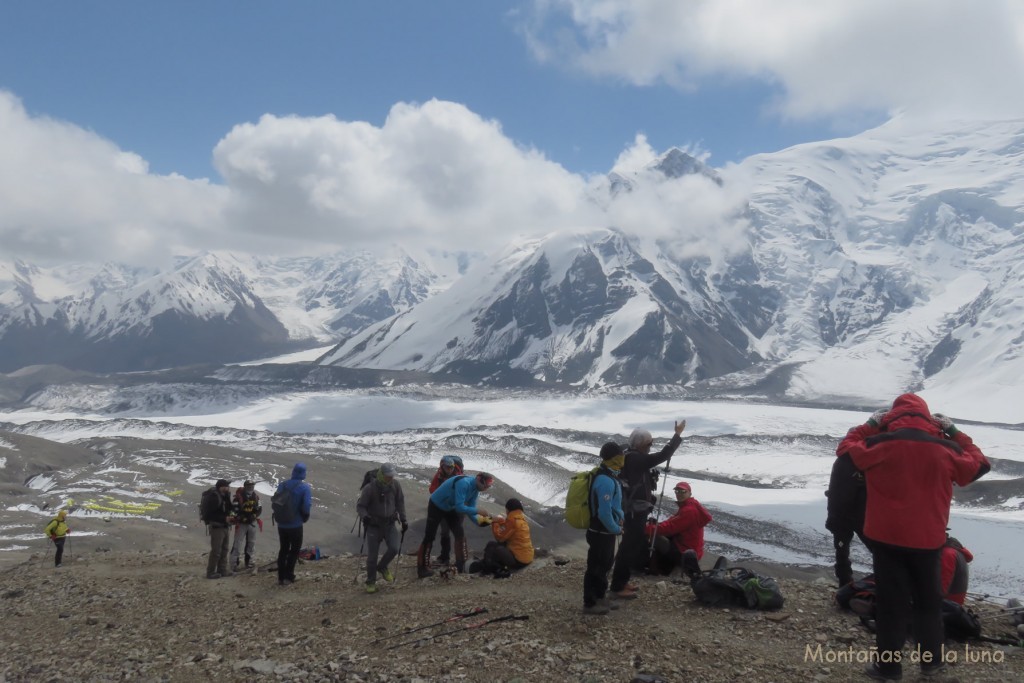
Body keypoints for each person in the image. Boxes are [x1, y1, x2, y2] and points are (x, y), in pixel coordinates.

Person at [837, 394, 989, 681]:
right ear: (929, 419)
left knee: (891, 605)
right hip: (929, 541)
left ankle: (889, 668)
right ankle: (931, 667)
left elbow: (846, 450)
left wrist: (871, 424)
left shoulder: (879, 444)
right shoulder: (946, 449)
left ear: (892, 418)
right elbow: (979, 464)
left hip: (885, 539)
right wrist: (954, 432)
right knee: (928, 605)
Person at [609, 420, 685, 599]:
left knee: (629, 546)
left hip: (633, 510)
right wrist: (677, 435)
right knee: (629, 547)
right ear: (641, 444)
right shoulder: (636, 458)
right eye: (649, 444)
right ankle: (618, 585)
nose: (650, 447)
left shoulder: (629, 456)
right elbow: (663, 455)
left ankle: (621, 581)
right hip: (635, 512)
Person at [416, 471, 493, 577]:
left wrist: (484, 522)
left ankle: (462, 565)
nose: (487, 488)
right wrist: (477, 510)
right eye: (487, 485)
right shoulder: (464, 483)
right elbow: (460, 507)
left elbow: (470, 512)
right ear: (480, 480)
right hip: (436, 505)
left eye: (489, 486)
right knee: (430, 535)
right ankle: (422, 568)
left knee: (459, 533)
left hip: (449, 508)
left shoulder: (475, 490)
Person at [583, 442, 625, 615]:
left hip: (604, 531)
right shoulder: (606, 481)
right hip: (601, 531)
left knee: (605, 564)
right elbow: (604, 513)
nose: (623, 459)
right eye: (620, 456)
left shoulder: (609, 476)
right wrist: (616, 528)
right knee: (597, 566)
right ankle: (590, 603)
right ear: (614, 458)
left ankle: (600, 597)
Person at [357, 463, 408, 594]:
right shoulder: (370, 488)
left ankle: (383, 566)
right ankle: (371, 582)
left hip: (389, 523)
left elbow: (400, 502)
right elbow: (361, 506)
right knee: (372, 556)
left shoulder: (395, 485)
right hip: (373, 526)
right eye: (387, 476)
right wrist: (365, 517)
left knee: (394, 548)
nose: (390, 479)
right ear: (381, 475)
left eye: (391, 476)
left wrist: (403, 519)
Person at [647, 481, 711, 581]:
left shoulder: (689, 511)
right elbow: (672, 522)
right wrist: (656, 525)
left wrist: (646, 528)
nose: (679, 494)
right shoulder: (690, 505)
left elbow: (669, 528)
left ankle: (654, 569)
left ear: (689, 493)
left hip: (685, 553)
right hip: (692, 550)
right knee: (657, 532)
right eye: (677, 491)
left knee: (654, 535)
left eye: (682, 491)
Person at [825, 451, 871, 586]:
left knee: (841, 551)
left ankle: (845, 583)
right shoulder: (866, 460)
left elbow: (834, 491)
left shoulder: (842, 461)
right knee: (877, 551)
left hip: (842, 515)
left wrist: (832, 517)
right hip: (858, 516)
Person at [275, 462, 312, 587]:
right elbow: (306, 506)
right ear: (303, 473)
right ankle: (288, 577)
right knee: (294, 550)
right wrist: (305, 516)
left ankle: (280, 577)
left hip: (281, 524)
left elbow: (276, 501)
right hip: (295, 525)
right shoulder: (304, 487)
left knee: (283, 549)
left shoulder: (282, 485)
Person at [479, 498, 534, 576]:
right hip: (528, 558)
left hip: (519, 561)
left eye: (506, 509)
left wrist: (495, 523)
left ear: (509, 509)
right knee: (501, 545)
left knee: (493, 545)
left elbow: (500, 538)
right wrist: (501, 521)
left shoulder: (513, 520)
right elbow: (509, 528)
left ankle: (487, 569)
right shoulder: (522, 519)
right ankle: (491, 565)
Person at [428, 455, 464, 566]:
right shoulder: (439, 476)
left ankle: (459, 560)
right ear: (442, 466)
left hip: (456, 509)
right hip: (444, 508)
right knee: (445, 532)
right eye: (447, 467)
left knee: (456, 533)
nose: (449, 469)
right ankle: (445, 557)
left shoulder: (459, 476)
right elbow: (432, 489)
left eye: (451, 467)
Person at [202, 479, 237, 579]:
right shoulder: (214, 497)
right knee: (216, 551)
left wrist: (231, 516)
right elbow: (209, 514)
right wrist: (224, 518)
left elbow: (228, 509)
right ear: (220, 487)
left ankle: (222, 570)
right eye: (226, 486)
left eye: (228, 486)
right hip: (217, 527)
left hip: (225, 526)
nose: (228, 487)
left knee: (224, 549)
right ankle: (210, 572)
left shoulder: (225, 496)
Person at [230, 480, 262, 572]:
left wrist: (254, 516)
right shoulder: (238, 497)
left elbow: (260, 509)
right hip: (241, 524)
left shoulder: (256, 497)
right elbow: (233, 510)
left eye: (252, 485)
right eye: (249, 486)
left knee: (251, 543)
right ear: (245, 486)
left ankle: (249, 563)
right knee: (238, 543)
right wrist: (241, 518)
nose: (251, 487)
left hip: (252, 523)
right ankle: (233, 564)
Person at [941, 533, 973, 605]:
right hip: (956, 599)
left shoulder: (947, 553)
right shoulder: (954, 549)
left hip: (949, 602)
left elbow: (943, 584)